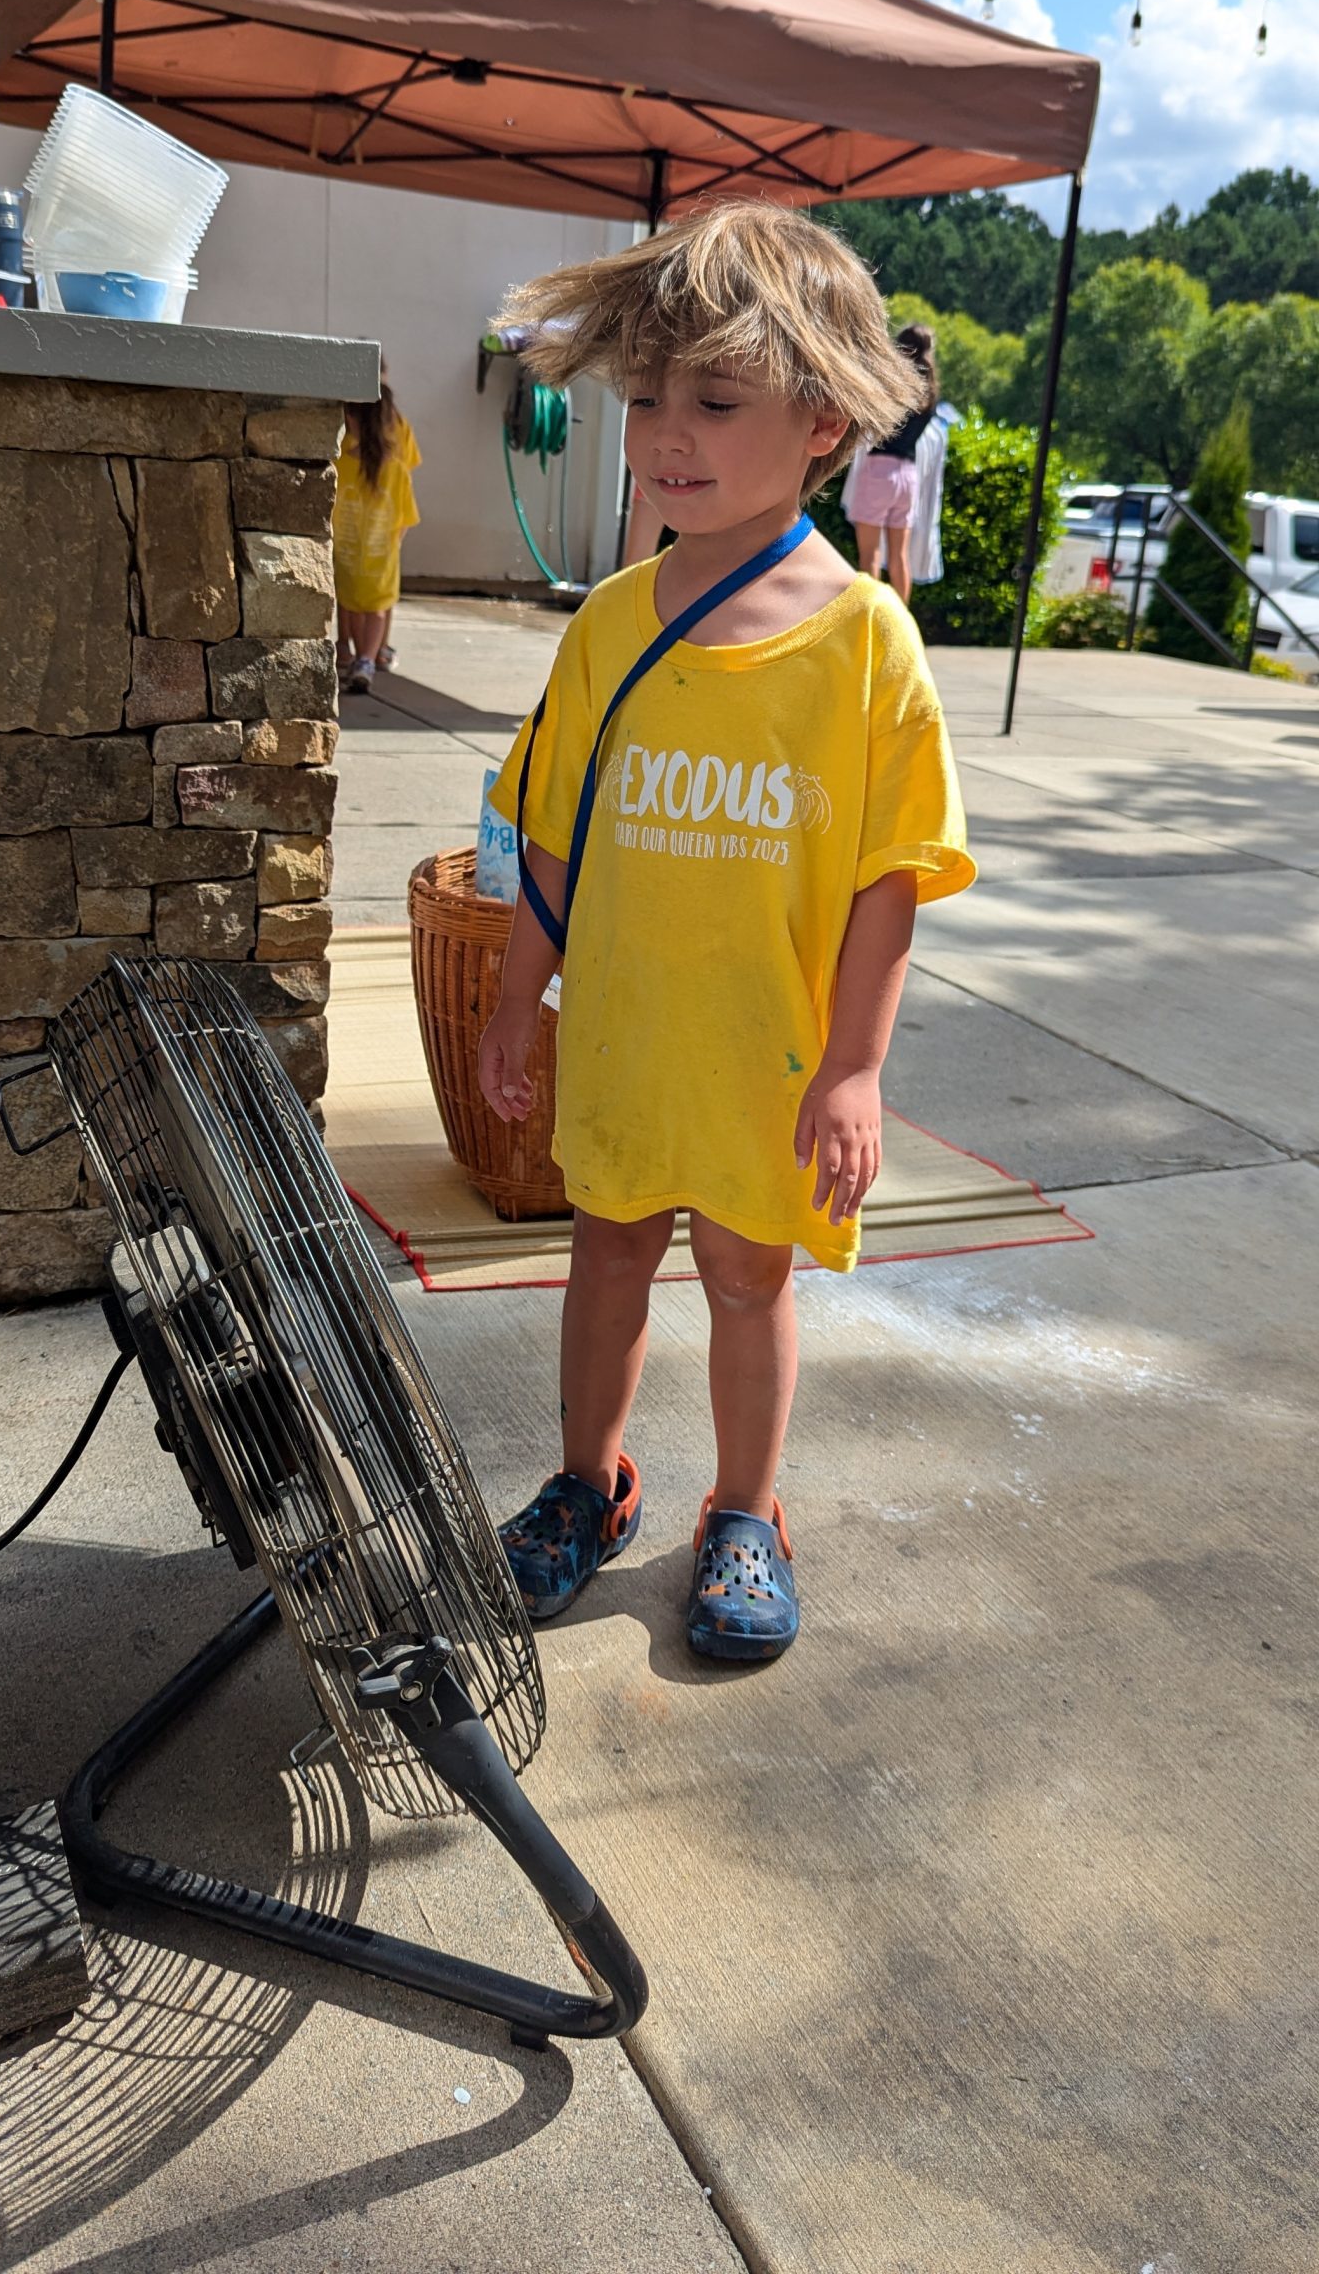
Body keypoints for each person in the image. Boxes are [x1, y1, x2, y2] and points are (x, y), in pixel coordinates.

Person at [477, 202, 974, 1665]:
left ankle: (745, 1509)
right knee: (606, 1256)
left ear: (823, 422)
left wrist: (856, 1070)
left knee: (752, 1279)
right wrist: (515, 1001)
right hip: (629, 1033)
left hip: (771, 1055)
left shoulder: (869, 644)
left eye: (713, 400)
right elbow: (551, 840)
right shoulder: (607, 622)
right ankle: (588, 1482)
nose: (665, 436)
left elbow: (890, 878)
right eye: (646, 399)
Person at [332, 367, 422, 694]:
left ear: (352, 419)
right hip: (382, 552)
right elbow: (407, 516)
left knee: (352, 605)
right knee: (378, 609)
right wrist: (393, 545)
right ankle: (367, 660)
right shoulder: (395, 468)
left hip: (346, 552)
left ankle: (358, 655)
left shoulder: (339, 463)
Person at [842, 323, 941, 607]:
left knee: (870, 555)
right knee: (899, 557)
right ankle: (902, 621)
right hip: (909, 475)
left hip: (880, 470)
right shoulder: (930, 395)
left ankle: (871, 619)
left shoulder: (896, 389)